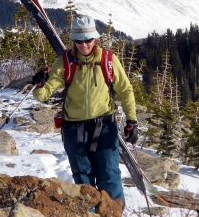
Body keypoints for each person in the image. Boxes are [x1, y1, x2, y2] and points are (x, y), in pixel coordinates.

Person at [32, 15, 139, 205]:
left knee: (109, 176)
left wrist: (132, 121)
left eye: (88, 40)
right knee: (83, 179)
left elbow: (125, 89)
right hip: (74, 129)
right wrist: (39, 83)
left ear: (95, 38)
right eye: (79, 41)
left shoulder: (107, 59)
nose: (84, 45)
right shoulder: (65, 61)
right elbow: (43, 95)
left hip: (105, 126)